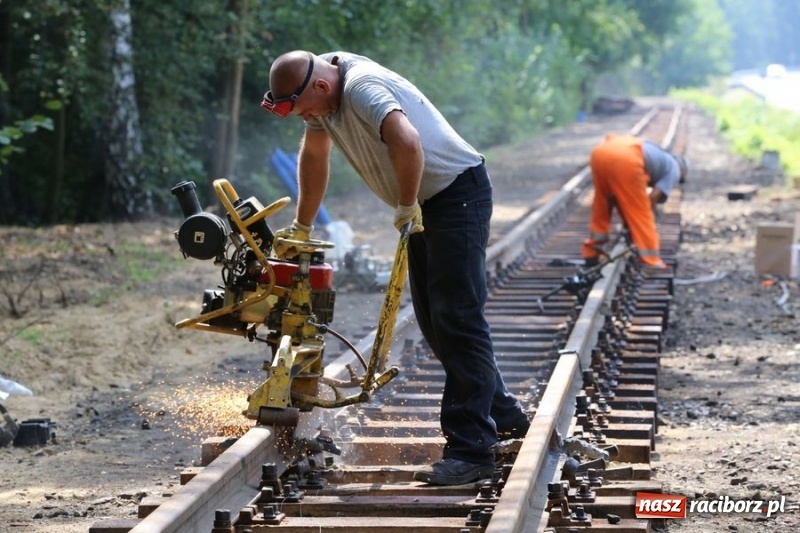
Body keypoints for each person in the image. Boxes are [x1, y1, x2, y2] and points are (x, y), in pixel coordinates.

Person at [261, 50, 530, 486]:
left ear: (322, 88)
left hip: (456, 195)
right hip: (428, 202)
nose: (307, 118)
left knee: (457, 318)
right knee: (435, 322)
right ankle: (502, 413)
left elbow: (407, 140)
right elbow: (314, 156)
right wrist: (303, 226)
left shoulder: (362, 88)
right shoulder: (322, 97)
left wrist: (406, 205)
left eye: (305, 110)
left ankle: (472, 450)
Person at [582, 133, 689, 268]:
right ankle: (651, 259)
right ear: (683, 170)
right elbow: (653, 197)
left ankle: (592, 253)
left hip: (600, 153)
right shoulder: (674, 168)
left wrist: (628, 221)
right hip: (627, 159)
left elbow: (621, 197)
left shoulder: (659, 154)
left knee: (602, 205)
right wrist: (645, 218)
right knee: (641, 212)